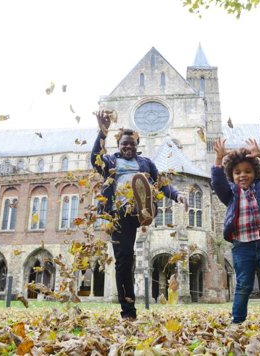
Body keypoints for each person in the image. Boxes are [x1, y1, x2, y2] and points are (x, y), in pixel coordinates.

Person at [91, 109, 187, 321]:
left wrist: (177, 195)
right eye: (124, 143)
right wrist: (102, 132)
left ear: (137, 145)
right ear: (119, 145)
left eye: (132, 143)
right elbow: (94, 159)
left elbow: (161, 183)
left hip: (136, 212)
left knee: (147, 183)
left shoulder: (146, 163)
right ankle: (128, 311)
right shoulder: (109, 162)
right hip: (117, 215)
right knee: (123, 260)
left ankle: (144, 205)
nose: (127, 146)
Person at [211, 137, 260, 324]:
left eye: (247, 171)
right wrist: (218, 160)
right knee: (243, 285)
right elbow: (217, 182)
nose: (243, 175)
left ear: (255, 173)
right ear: (232, 175)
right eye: (237, 172)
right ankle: (237, 320)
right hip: (242, 245)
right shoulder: (230, 194)